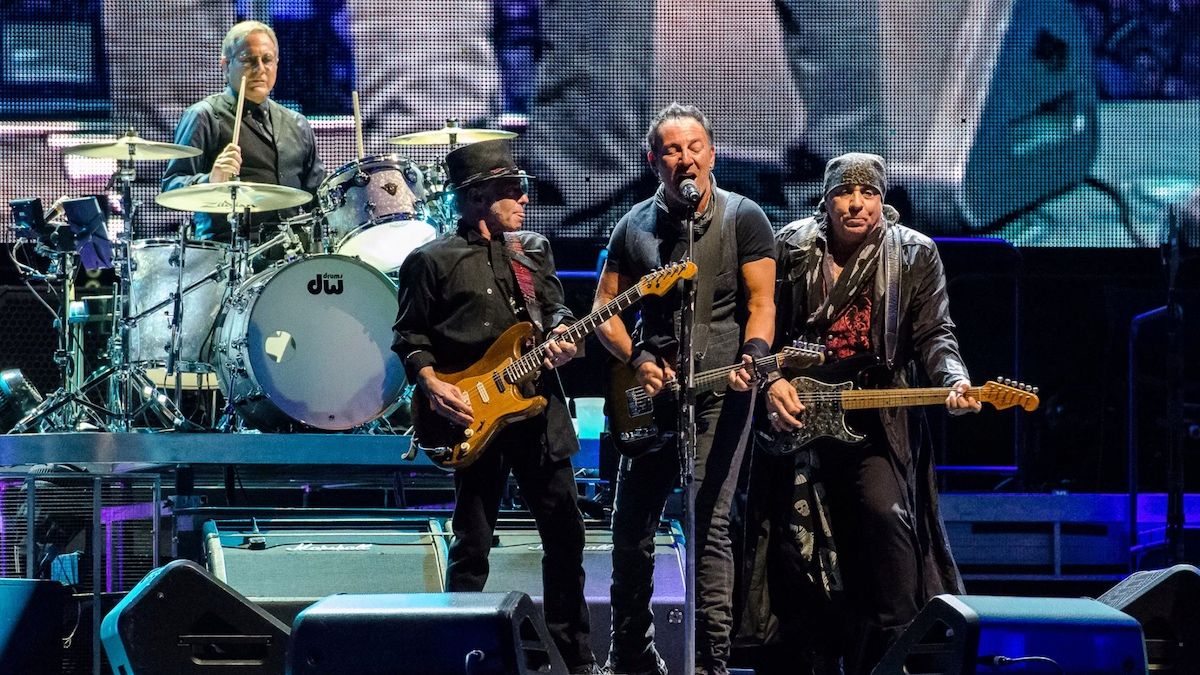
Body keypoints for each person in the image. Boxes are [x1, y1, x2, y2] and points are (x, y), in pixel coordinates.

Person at [740, 153, 980, 674]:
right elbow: (759, 322)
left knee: (886, 528)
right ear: (825, 201)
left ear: (882, 200)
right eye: (843, 194)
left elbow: (935, 333)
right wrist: (771, 382)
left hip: (875, 420)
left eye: (867, 193)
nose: (855, 204)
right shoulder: (791, 246)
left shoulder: (914, 253)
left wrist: (953, 380)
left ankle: (891, 661)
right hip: (797, 417)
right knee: (792, 552)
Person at [390, 139, 599, 674]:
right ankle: (458, 654)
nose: (525, 199)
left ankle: (573, 656)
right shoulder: (429, 261)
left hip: (537, 411)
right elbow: (410, 337)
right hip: (471, 416)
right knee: (473, 541)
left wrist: (565, 338)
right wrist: (432, 384)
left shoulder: (533, 250)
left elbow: (555, 312)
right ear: (479, 196)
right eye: (513, 190)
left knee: (566, 534)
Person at [593, 103, 777, 675]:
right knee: (631, 528)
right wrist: (637, 357)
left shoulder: (744, 217)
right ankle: (632, 656)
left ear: (711, 153)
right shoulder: (634, 226)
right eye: (672, 150)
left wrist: (755, 356)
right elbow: (603, 311)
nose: (685, 158)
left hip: (722, 390)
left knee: (707, 524)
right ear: (654, 161)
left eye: (694, 147)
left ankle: (708, 663)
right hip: (653, 397)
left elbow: (762, 304)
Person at [161, 20, 325, 243]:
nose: (260, 69)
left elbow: (318, 196)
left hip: (291, 251)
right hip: (226, 250)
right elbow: (171, 186)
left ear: (276, 63)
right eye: (248, 60)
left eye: (267, 59)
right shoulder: (204, 116)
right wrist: (211, 180)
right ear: (225, 65)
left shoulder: (297, 123)